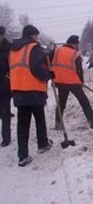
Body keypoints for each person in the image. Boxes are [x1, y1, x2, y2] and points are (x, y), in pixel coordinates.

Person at [9, 25, 53, 167]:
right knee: (39, 119)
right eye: (36, 35)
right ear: (32, 35)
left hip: (18, 90)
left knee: (22, 124)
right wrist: (48, 75)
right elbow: (36, 68)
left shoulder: (13, 49)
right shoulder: (33, 47)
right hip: (33, 90)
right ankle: (43, 144)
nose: (37, 38)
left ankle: (22, 156)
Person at [51, 35, 93, 130]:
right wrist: (81, 81)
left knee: (61, 103)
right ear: (73, 44)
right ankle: (92, 122)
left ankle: (58, 124)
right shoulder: (75, 54)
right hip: (72, 82)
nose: (78, 46)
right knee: (84, 101)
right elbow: (79, 70)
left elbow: (50, 62)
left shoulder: (57, 50)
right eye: (77, 44)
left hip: (59, 81)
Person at [0, 26, 12, 147]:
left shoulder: (9, 48)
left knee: (5, 112)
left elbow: (13, 66)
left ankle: (6, 137)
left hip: (5, 85)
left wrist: (7, 78)